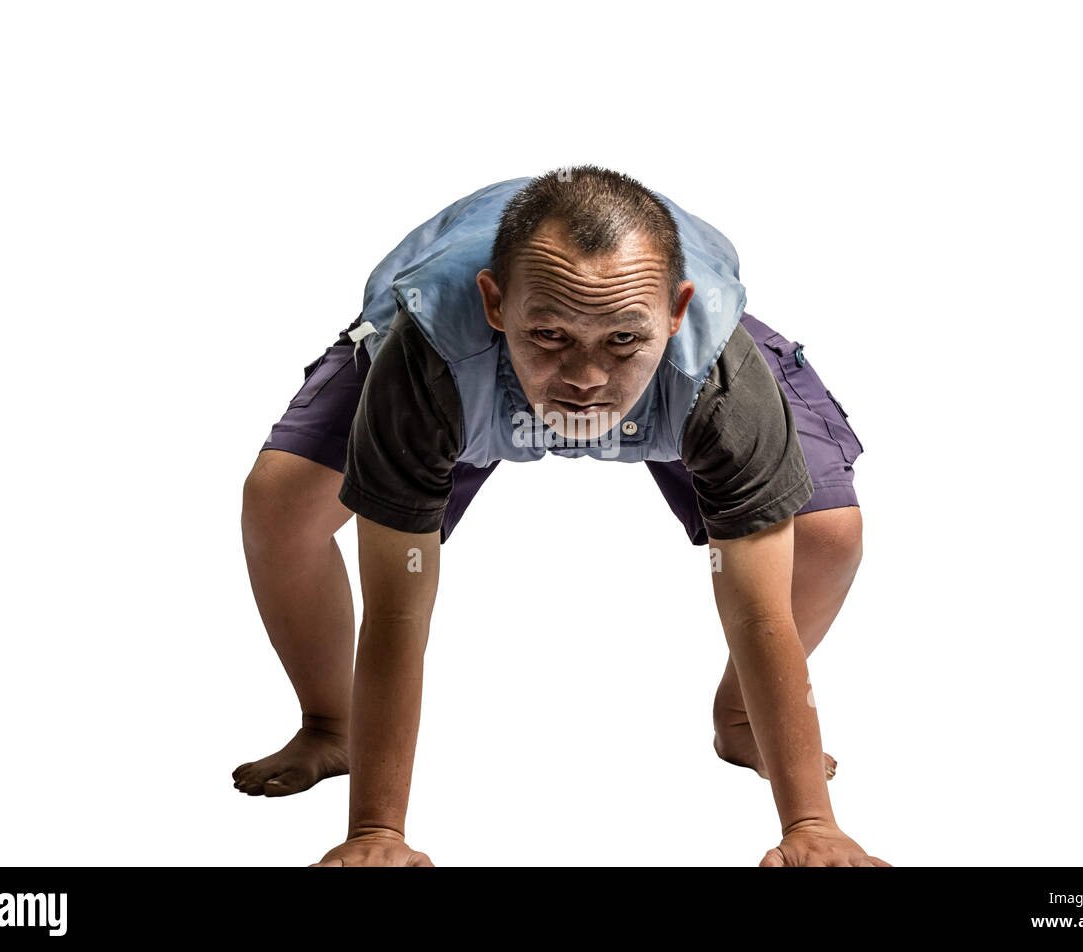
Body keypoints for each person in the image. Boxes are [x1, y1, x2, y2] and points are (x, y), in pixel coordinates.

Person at [238, 166, 887, 867]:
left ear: (675, 313)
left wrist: (811, 826)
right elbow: (398, 611)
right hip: (463, 375)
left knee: (826, 534)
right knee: (280, 503)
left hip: (654, 377)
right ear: (493, 303)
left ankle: (741, 721)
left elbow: (758, 612)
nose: (585, 379)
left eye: (620, 342)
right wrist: (375, 835)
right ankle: (330, 723)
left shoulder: (716, 380)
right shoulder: (428, 365)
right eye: (551, 335)